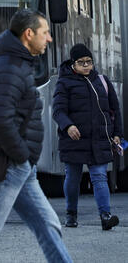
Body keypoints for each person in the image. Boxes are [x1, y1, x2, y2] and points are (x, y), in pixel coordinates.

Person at [0, 10, 72, 262]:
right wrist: (21, 156)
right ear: (28, 34)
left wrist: (25, 160)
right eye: (45, 33)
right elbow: (0, 120)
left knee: (47, 225)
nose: (49, 39)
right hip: (10, 162)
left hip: (21, 165)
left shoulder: (15, 63)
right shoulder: (10, 67)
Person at [52, 43, 122, 230]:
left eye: (89, 62)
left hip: (99, 139)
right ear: (73, 64)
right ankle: (71, 214)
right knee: (73, 178)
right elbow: (58, 111)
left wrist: (117, 134)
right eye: (81, 62)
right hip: (73, 140)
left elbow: (114, 110)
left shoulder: (102, 81)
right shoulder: (64, 82)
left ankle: (105, 216)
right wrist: (68, 126)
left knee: (99, 176)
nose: (86, 66)